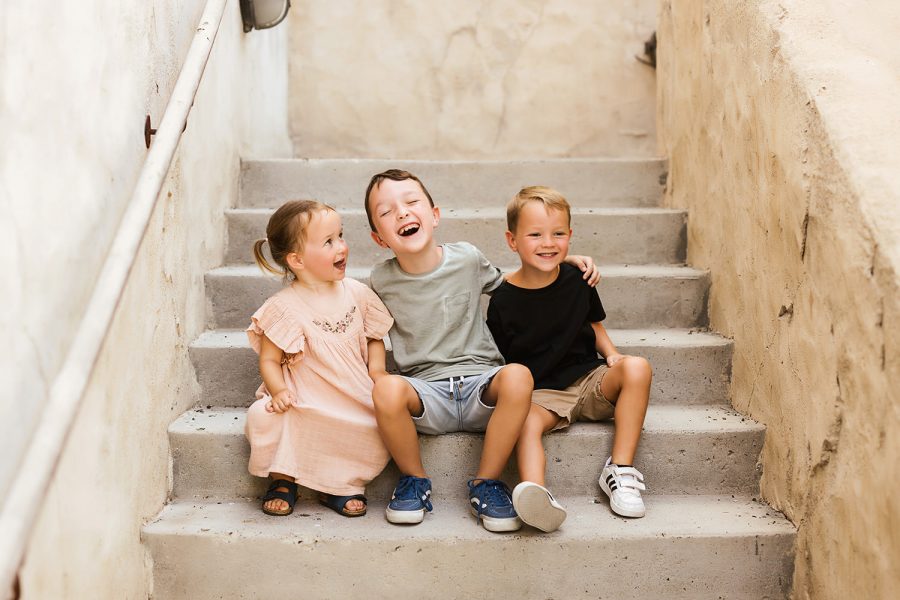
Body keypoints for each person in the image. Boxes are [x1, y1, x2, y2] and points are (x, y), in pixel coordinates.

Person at [363, 170, 600, 533]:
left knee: (519, 375)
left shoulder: (468, 259)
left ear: (435, 214)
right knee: (386, 389)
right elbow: (372, 329)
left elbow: (518, 284)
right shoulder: (380, 279)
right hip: (427, 394)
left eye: (411, 203)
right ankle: (414, 480)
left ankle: (486, 482)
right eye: (386, 211)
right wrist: (378, 372)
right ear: (379, 238)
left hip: (481, 387)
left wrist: (557, 261)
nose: (402, 213)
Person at [487, 186, 652, 532]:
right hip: (543, 393)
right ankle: (537, 495)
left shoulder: (578, 279)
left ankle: (619, 470)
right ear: (512, 240)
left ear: (570, 237)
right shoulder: (502, 299)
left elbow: (594, 324)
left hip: (590, 378)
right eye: (535, 235)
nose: (548, 243)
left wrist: (612, 356)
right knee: (526, 424)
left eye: (558, 234)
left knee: (637, 367)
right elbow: (500, 358)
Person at [245, 200, 394, 518]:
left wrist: (377, 371)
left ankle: (340, 484)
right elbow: (270, 360)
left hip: (352, 395)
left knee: (371, 425)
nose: (341, 246)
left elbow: (374, 337)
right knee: (265, 416)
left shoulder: (356, 293)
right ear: (297, 260)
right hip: (303, 398)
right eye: (328, 242)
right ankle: (283, 479)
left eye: (340, 236)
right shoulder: (284, 306)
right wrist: (279, 390)